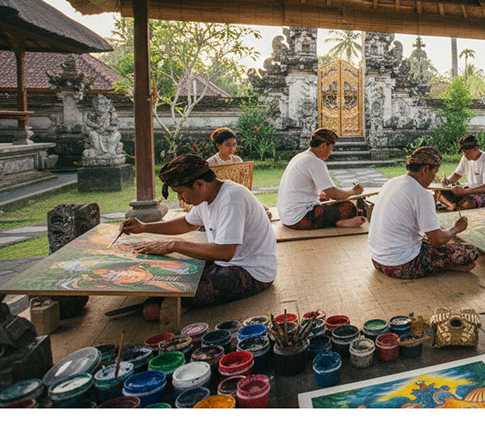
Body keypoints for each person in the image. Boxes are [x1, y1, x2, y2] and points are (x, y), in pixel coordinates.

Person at [119, 155, 277, 321]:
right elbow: (188, 224)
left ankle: (177, 303)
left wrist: (173, 245)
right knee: (167, 278)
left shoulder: (232, 198)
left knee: (156, 307)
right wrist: (143, 227)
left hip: (253, 271)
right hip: (225, 263)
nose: (180, 198)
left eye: (180, 192)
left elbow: (225, 252)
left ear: (200, 184)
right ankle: (175, 302)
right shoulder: (208, 194)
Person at [369, 146, 479, 279]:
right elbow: (437, 240)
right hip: (401, 265)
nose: (435, 177)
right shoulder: (422, 194)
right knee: (471, 251)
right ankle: (443, 264)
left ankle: (444, 264)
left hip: (377, 260)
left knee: (435, 240)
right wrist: (457, 228)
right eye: (435, 172)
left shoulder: (391, 182)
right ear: (425, 169)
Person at [277, 128, 367, 230]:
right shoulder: (315, 162)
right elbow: (334, 194)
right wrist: (353, 191)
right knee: (349, 207)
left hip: (286, 217)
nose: (330, 152)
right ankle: (340, 222)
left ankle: (338, 221)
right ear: (323, 145)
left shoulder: (300, 157)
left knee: (325, 198)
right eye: (331, 148)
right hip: (299, 219)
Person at [437, 134, 485, 211]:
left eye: (467, 152)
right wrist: (447, 181)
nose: (465, 155)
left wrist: (465, 192)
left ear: (475, 149)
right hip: (468, 190)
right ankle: (452, 205)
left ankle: (456, 203)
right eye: (463, 152)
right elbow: (457, 175)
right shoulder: (465, 158)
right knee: (441, 192)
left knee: (469, 203)